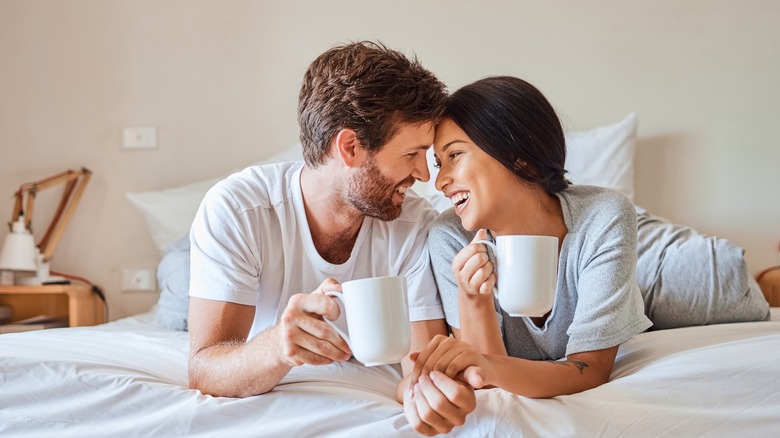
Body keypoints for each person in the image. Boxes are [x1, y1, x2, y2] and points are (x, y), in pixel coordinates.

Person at [186, 41, 474, 434]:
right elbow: (204, 367)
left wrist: (424, 393)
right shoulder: (239, 210)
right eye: (412, 154)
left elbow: (416, 365)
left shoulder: (414, 223)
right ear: (350, 147)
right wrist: (277, 345)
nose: (424, 175)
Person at [408, 76, 653, 420]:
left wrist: (489, 366)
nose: (440, 181)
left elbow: (590, 368)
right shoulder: (450, 237)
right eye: (439, 163)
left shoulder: (604, 215)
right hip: (614, 277)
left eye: (455, 155)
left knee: (719, 277)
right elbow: (487, 377)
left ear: (518, 157)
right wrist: (473, 299)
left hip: (647, 273)